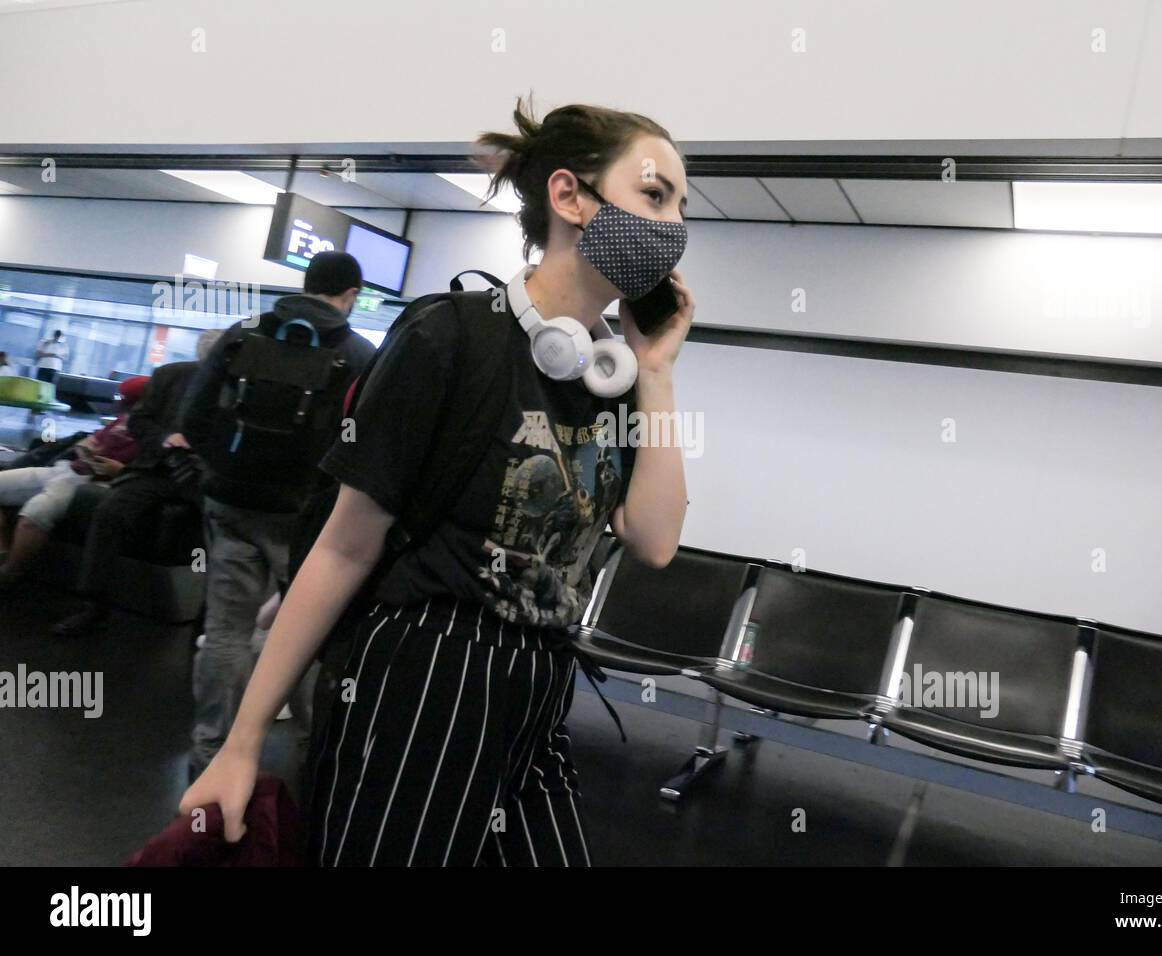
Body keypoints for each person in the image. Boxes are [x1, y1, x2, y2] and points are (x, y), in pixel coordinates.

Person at [181, 97, 693, 867]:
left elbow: (655, 539)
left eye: (682, 206)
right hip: (425, 674)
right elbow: (344, 549)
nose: (674, 224)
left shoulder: (614, 378)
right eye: (655, 196)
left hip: (539, 682)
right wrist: (243, 741)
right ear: (570, 197)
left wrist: (654, 372)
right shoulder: (450, 335)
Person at [180, 251, 375, 781]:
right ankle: (316, 757)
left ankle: (208, 755)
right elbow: (366, 447)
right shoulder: (359, 354)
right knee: (310, 634)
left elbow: (193, 417)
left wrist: (225, 468)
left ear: (306, 284)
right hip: (307, 520)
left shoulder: (242, 334)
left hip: (231, 505)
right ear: (351, 294)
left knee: (225, 632)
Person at [50, 329, 224, 638]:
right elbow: (140, 421)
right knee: (109, 512)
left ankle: (208, 617)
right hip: (155, 468)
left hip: (206, 474)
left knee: (221, 531)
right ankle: (94, 605)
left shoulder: (239, 386)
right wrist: (166, 439)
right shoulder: (170, 375)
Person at [0, 375, 150, 588]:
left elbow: (151, 474)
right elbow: (91, 441)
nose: (117, 403)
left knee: (35, 515)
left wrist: (118, 471)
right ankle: (4, 553)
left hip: (90, 482)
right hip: (68, 471)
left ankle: (11, 573)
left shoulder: (154, 434)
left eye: (123, 399)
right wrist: (86, 449)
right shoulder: (124, 421)